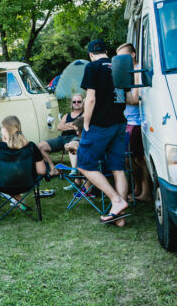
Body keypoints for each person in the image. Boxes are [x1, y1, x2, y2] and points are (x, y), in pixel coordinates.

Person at [77, 39, 129, 226]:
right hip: (120, 123)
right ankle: (119, 217)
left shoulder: (92, 67)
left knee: (84, 165)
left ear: (91, 54)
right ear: (106, 51)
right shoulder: (119, 65)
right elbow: (126, 96)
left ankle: (116, 200)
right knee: (118, 168)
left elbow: (90, 99)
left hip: (100, 125)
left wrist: (86, 124)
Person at [116, 43, 152, 202]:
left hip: (137, 121)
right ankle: (137, 188)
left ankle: (145, 193)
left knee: (138, 159)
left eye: (123, 56)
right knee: (130, 158)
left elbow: (135, 98)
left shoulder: (137, 71)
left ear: (132, 55)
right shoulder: (127, 71)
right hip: (128, 120)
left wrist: (118, 92)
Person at [0, 115, 46, 201]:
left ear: (5, 130)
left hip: (3, 186)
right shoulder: (31, 147)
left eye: (1, 128)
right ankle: (19, 200)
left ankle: (18, 200)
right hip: (27, 185)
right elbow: (42, 171)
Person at [38, 93, 84, 176]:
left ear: (82, 103)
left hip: (75, 137)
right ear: (72, 103)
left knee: (72, 144)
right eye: (74, 101)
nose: (76, 103)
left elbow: (78, 126)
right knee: (40, 146)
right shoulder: (67, 115)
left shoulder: (84, 114)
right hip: (62, 138)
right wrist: (73, 126)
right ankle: (53, 169)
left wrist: (66, 125)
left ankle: (74, 171)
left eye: (79, 101)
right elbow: (59, 127)